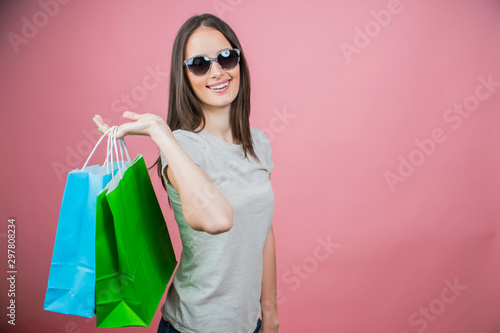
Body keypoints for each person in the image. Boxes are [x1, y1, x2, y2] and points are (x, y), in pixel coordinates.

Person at [93, 13, 279, 333]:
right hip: (193, 327)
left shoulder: (258, 142)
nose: (217, 71)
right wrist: (160, 132)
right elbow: (217, 219)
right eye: (199, 64)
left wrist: (270, 316)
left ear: (239, 62)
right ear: (185, 76)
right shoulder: (182, 148)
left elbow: (263, 230)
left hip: (251, 325)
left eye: (226, 57)